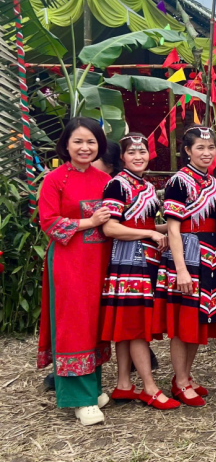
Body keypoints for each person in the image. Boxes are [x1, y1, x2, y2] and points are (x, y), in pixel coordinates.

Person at [37, 117, 113, 426]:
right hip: (69, 263)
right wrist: (89, 223)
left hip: (101, 261)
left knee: (95, 322)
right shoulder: (54, 179)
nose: (85, 147)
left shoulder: (106, 180)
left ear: (99, 145)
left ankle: (92, 388)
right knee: (75, 324)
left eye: (91, 141)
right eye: (78, 141)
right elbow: (49, 222)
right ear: (66, 145)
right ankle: (79, 399)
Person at [152, 125, 216, 406]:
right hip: (186, 255)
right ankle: (181, 381)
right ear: (187, 150)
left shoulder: (214, 182)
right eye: (200, 148)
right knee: (182, 320)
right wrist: (181, 269)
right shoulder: (178, 182)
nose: (206, 153)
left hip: (210, 255)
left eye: (210, 148)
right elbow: (174, 229)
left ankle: (184, 376)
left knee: (198, 319)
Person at [100, 133, 178, 410]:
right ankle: (149, 387)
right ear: (122, 157)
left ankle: (123, 384)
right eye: (131, 152)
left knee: (127, 324)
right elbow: (110, 227)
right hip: (128, 261)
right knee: (135, 326)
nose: (138, 156)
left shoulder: (145, 185)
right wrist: (150, 234)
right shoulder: (117, 184)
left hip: (144, 260)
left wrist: (171, 229)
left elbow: (142, 224)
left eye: (142, 151)